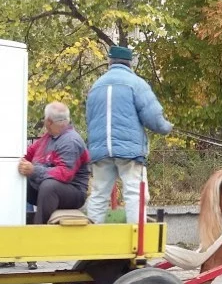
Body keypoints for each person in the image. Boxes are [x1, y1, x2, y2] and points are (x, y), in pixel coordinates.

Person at [85, 46, 172, 224]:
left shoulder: (96, 86)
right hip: (129, 151)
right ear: (129, 63)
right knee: (134, 192)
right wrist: (166, 127)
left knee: (99, 194)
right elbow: (153, 117)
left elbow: (90, 119)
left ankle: (93, 239)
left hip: (100, 150)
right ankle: (135, 237)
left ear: (110, 61)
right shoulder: (136, 83)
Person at [0, 102, 90, 270]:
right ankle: (10, 239)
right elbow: (28, 153)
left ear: (48, 121)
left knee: (49, 186)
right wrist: (14, 160)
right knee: (17, 182)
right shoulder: (47, 137)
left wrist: (33, 170)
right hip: (46, 185)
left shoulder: (70, 141)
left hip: (73, 192)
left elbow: (65, 174)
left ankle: (36, 245)